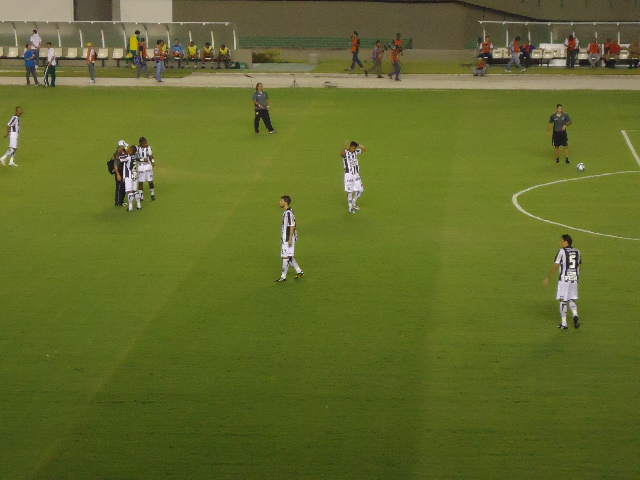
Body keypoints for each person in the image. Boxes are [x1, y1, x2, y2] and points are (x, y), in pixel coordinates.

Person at [543, 234, 582, 330]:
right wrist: (576, 274)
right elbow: (580, 265)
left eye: (561, 241)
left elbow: (556, 265)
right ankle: (575, 315)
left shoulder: (562, 252)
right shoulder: (577, 251)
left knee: (563, 299)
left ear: (566, 242)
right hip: (574, 278)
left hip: (564, 279)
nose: (560, 242)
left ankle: (564, 324)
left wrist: (548, 277)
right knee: (572, 298)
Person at [274, 195, 304, 282]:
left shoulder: (288, 213)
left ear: (285, 202)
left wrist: (290, 239)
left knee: (285, 257)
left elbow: (292, 226)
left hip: (288, 238)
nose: (280, 202)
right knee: (289, 256)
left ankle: (283, 277)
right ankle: (299, 271)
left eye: (281, 201)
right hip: (288, 238)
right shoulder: (288, 212)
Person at [340, 140, 366, 213]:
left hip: (356, 174)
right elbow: (341, 153)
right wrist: (344, 146)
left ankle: (354, 202)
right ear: (350, 147)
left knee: (361, 190)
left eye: (354, 148)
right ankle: (350, 207)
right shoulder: (346, 152)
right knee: (350, 191)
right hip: (349, 175)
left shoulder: (356, 152)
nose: (353, 149)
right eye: (352, 148)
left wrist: (358, 144)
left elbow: (364, 149)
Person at [122, 144, 141, 211]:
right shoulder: (135, 157)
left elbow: (120, 158)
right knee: (135, 191)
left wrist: (122, 150)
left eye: (129, 149)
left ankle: (130, 207)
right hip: (135, 174)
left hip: (129, 175)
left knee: (130, 191)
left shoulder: (128, 157)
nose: (128, 149)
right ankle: (139, 205)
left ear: (131, 150)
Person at [137, 137, 156, 201]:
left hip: (148, 166)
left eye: (145, 143)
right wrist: (142, 159)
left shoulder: (148, 148)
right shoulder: (137, 149)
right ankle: (141, 196)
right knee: (140, 182)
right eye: (143, 143)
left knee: (150, 181)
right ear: (140, 143)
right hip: (141, 166)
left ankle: (152, 194)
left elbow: (151, 156)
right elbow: (136, 158)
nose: (145, 144)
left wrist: (153, 161)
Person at [113, 140, 128, 206]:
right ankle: (118, 202)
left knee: (123, 187)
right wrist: (118, 174)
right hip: (119, 172)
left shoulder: (122, 152)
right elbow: (115, 165)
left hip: (123, 171)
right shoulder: (117, 154)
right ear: (121, 146)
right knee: (119, 187)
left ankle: (121, 201)